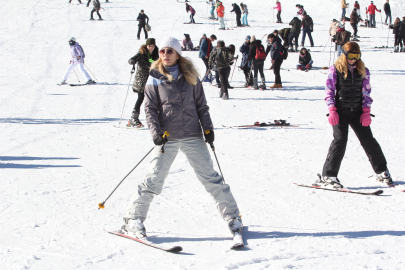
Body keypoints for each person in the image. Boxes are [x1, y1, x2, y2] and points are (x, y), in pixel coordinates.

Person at [121, 36, 242, 241]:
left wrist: (208, 129)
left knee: (211, 178)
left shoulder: (190, 75)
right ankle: (133, 219)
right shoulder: (155, 76)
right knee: (153, 179)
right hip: (167, 137)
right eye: (162, 51)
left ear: (177, 54)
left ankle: (233, 217)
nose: (165, 55)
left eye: (170, 51)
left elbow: (201, 106)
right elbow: (149, 109)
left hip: (192, 134)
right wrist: (156, 133)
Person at [319, 41, 392, 189]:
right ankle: (328, 175)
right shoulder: (335, 69)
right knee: (340, 141)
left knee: (368, 141)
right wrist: (332, 110)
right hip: (340, 113)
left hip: (358, 112)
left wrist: (366, 111)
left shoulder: (363, 70)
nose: (353, 59)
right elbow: (329, 91)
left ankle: (382, 171)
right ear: (344, 55)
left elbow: (366, 92)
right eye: (351, 56)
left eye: (356, 56)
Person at [127, 38, 159, 128]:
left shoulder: (156, 54)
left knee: (154, 98)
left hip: (151, 80)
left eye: (152, 46)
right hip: (141, 80)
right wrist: (132, 61)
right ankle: (134, 118)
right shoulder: (141, 53)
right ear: (146, 45)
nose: (151, 48)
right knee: (141, 98)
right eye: (149, 46)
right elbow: (132, 59)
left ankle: (156, 118)